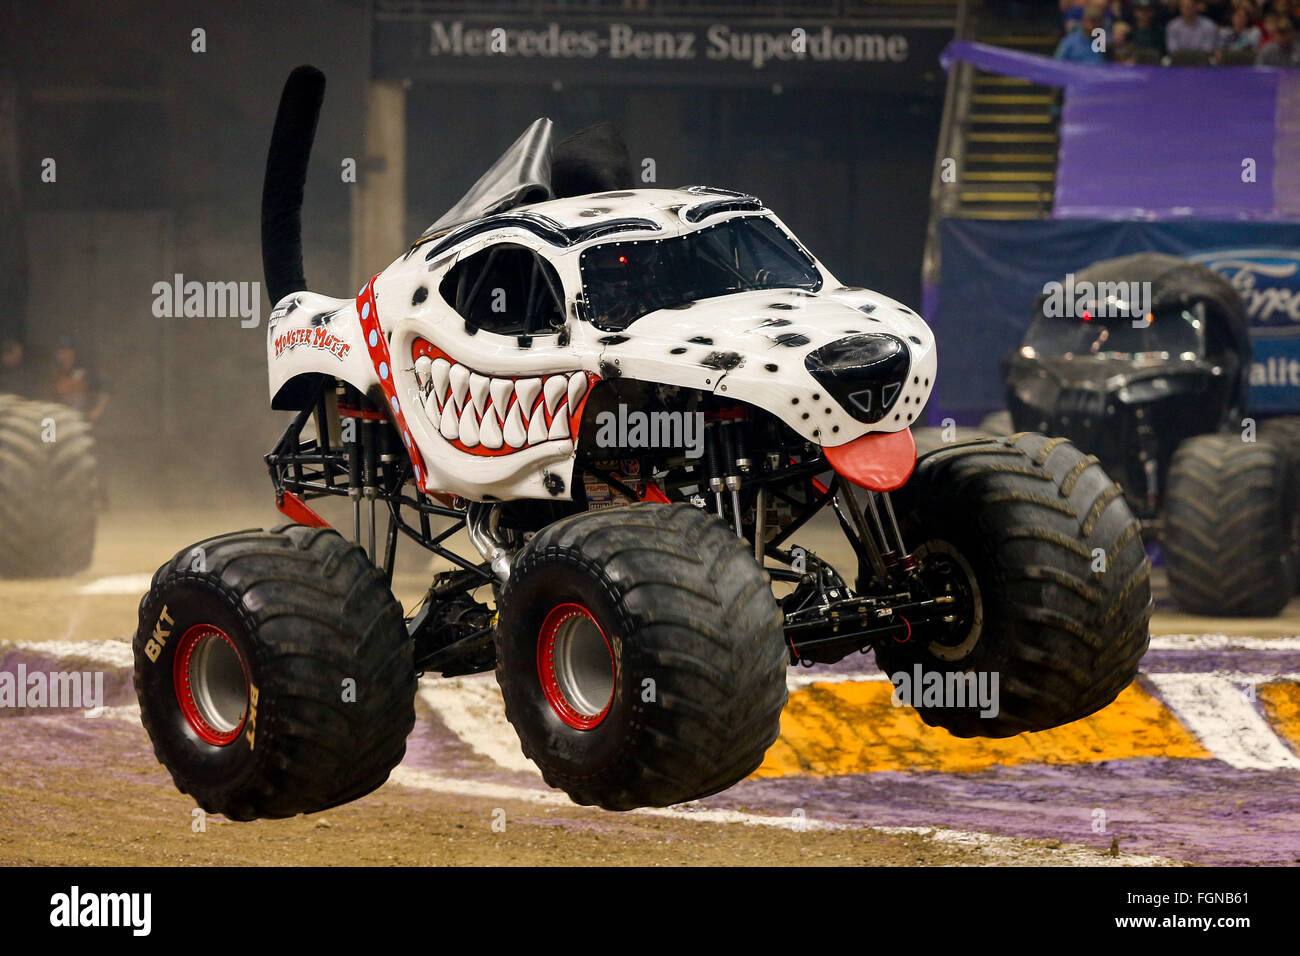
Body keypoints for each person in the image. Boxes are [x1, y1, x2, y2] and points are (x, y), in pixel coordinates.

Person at [50, 338, 109, 422]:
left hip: (83, 420)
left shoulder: (85, 372)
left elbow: (105, 387)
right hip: (63, 421)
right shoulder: (56, 374)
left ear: (73, 353)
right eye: (61, 352)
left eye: (67, 351)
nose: (63, 355)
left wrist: (98, 410)